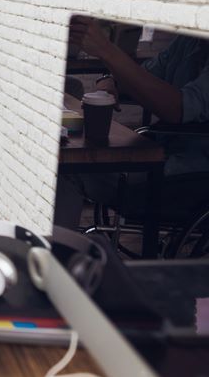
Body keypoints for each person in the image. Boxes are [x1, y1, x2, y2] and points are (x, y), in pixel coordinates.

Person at [54, 16, 209, 232]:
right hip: (161, 157)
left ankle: (52, 254)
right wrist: (110, 81)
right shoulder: (190, 41)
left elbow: (178, 109)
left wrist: (106, 50)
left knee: (67, 167)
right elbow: (144, 76)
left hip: (188, 178)